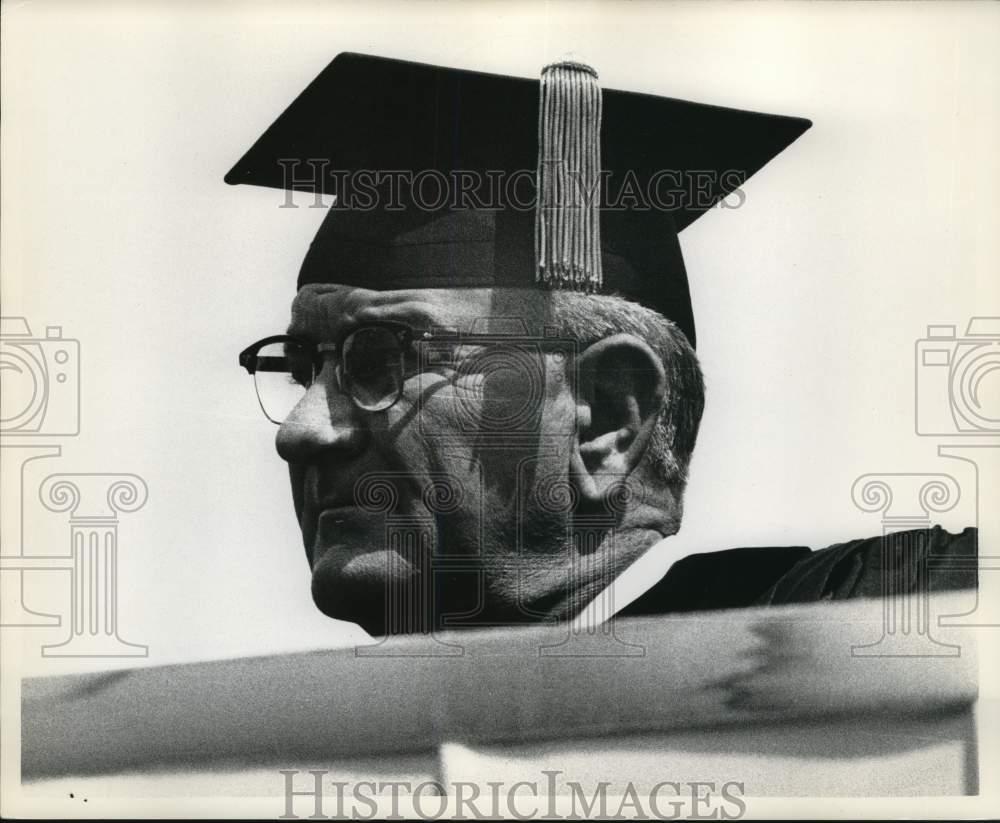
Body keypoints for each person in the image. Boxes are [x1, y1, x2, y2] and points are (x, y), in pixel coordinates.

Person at [230, 54, 976, 636]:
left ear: (605, 420)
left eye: (380, 360)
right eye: (301, 369)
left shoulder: (886, 617)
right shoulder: (309, 753)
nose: (301, 431)